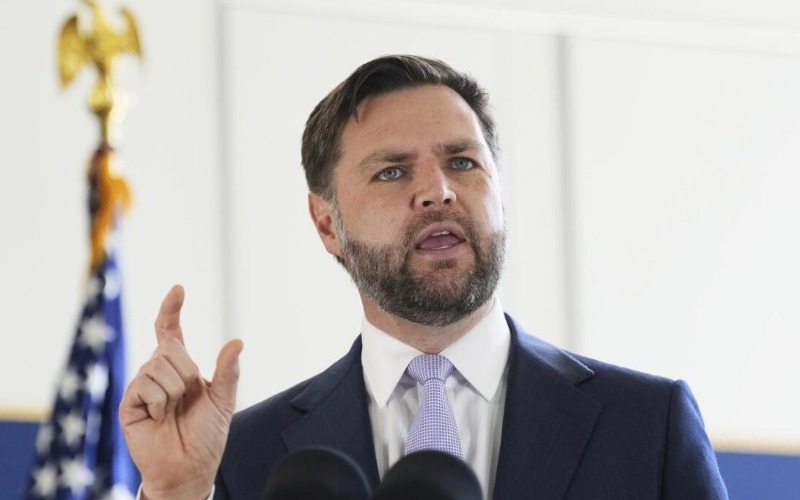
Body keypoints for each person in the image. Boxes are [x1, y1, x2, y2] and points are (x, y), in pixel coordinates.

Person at [120, 55, 729, 499]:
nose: (438, 192)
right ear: (326, 223)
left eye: (462, 162)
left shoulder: (647, 426)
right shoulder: (240, 454)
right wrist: (177, 493)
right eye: (392, 172)